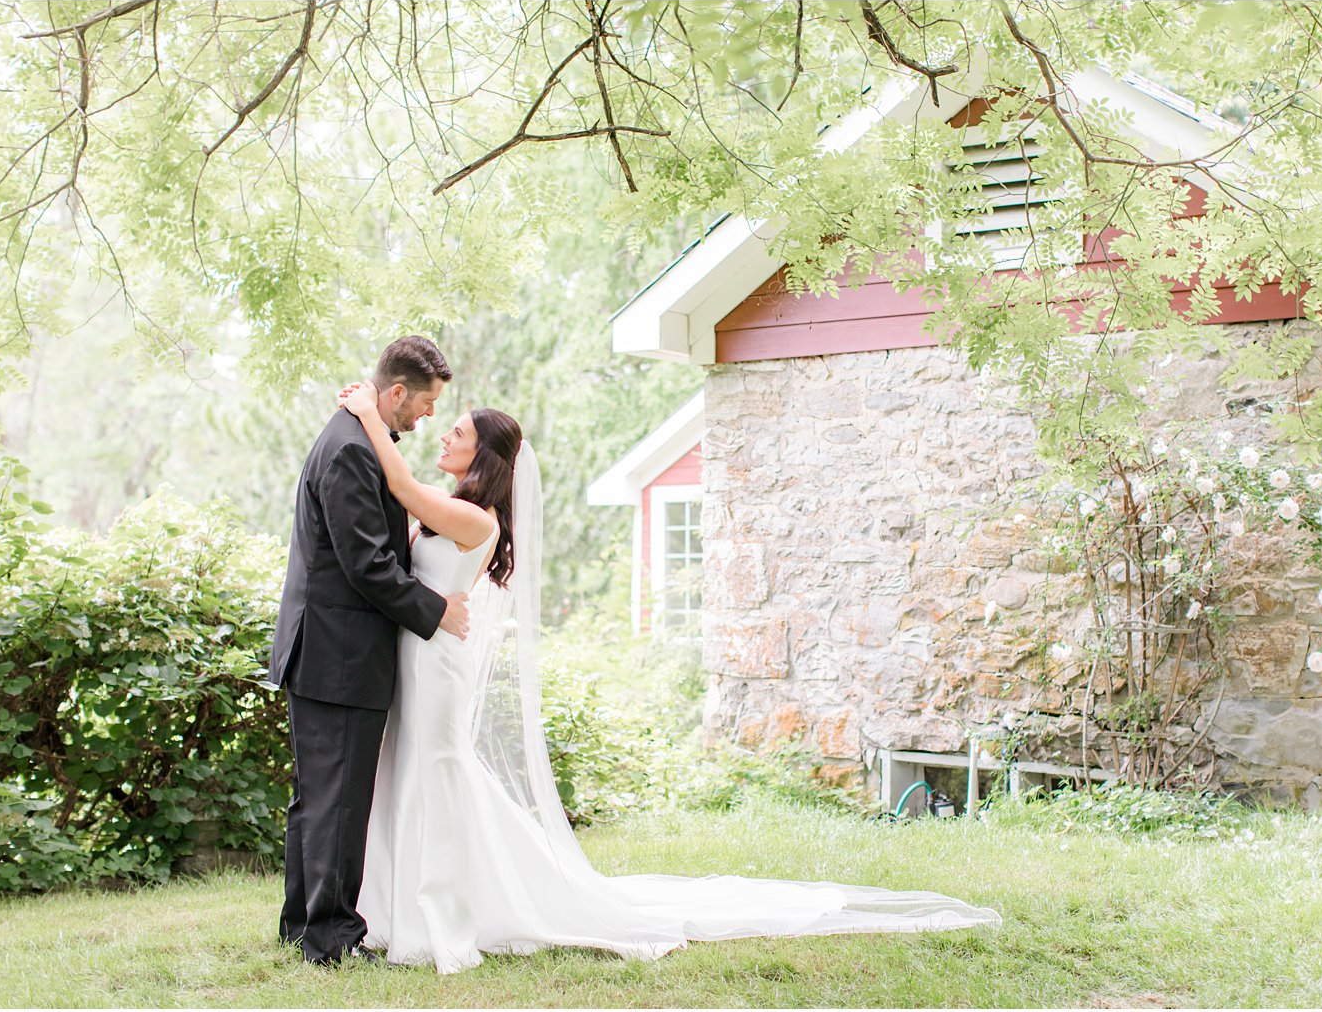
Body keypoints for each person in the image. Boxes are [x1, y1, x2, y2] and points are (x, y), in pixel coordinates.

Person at [333, 379, 1001, 975]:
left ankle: (443, 917)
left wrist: (368, 413)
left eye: (460, 432)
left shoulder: (477, 518)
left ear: (484, 458)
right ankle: (400, 906)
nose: (445, 434)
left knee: (439, 774)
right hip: (418, 657)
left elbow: (399, 485)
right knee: (413, 773)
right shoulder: (451, 506)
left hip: (440, 669)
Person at [268, 336, 472, 966]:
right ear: (396, 393)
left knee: (319, 795)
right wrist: (437, 612)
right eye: (427, 403)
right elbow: (368, 566)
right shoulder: (352, 451)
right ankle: (329, 937)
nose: (429, 416)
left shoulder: (354, 439)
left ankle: (303, 926)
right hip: (340, 653)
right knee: (340, 798)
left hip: (325, 649)